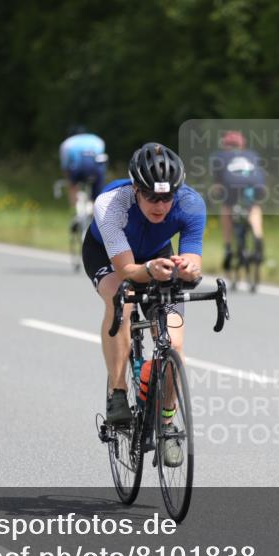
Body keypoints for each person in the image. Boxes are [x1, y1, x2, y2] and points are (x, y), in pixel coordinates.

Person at [83, 143, 205, 466]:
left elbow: (193, 256)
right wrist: (149, 270)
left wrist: (189, 267)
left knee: (173, 344)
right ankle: (119, 394)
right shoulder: (110, 204)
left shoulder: (191, 204)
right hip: (108, 256)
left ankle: (166, 423)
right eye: (152, 197)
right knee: (120, 299)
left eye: (167, 197)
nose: (161, 205)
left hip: (156, 253)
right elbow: (127, 271)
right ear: (136, 189)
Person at [211, 130, 265, 272]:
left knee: (226, 208)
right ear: (242, 145)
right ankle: (258, 237)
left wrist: (218, 193)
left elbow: (218, 184)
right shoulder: (252, 154)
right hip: (254, 183)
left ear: (225, 145)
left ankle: (228, 247)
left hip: (232, 184)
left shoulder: (220, 156)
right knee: (254, 207)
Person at [59, 127, 108, 218]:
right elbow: (101, 157)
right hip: (96, 168)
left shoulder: (68, 143)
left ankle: (75, 212)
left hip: (78, 167)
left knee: (72, 186)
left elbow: (65, 165)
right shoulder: (97, 140)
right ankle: (94, 210)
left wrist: (69, 178)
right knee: (97, 191)